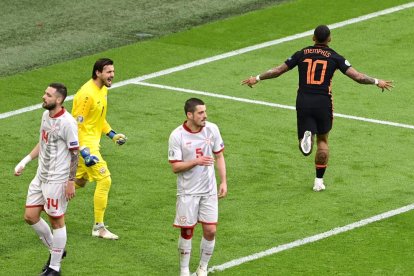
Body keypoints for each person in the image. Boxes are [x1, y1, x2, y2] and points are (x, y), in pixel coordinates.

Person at [242, 25, 393, 192]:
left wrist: (257, 78)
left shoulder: (301, 53)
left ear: (313, 38)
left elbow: (278, 71)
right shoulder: (335, 57)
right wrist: (376, 81)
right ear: (330, 39)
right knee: (323, 141)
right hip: (323, 103)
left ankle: (306, 138)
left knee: (305, 146)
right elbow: (357, 77)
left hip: (304, 101)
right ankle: (318, 181)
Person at [14, 83, 79, 276]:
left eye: (48, 95)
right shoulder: (45, 116)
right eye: (45, 93)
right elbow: (43, 142)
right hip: (40, 177)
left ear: (58, 100)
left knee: (56, 221)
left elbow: (75, 153)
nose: (44, 96)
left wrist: (70, 181)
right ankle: (57, 250)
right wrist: (25, 161)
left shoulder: (68, 123)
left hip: (57, 181)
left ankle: (55, 267)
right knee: (30, 216)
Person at [168, 98, 227, 276]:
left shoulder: (212, 129)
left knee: (211, 230)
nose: (205, 116)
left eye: (205, 112)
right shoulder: (177, 135)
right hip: (188, 191)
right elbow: (175, 167)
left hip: (208, 190)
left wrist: (223, 181)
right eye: (200, 113)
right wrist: (196, 161)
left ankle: (202, 267)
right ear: (189, 115)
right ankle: (184, 270)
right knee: (187, 231)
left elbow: (220, 156)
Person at [71, 58, 127, 240]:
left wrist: (112, 134)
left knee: (79, 182)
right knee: (105, 180)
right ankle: (98, 227)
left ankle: (47, 197)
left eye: (113, 71)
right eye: (108, 72)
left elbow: (98, 119)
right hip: (84, 147)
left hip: (92, 144)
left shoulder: (102, 90)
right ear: (98, 73)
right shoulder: (86, 95)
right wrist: (84, 151)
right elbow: (75, 126)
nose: (112, 75)